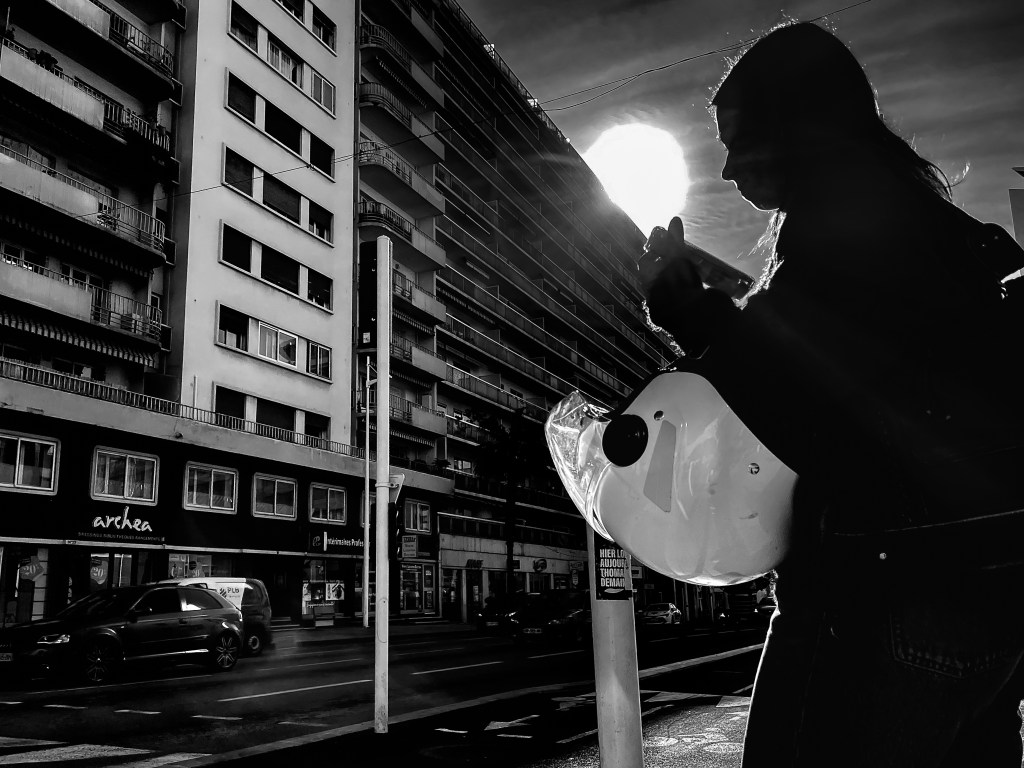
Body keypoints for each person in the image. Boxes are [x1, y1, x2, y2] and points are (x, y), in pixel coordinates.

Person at [639, 21, 1024, 768]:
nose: (727, 169)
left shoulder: (843, 231)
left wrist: (683, 305)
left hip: (884, 595)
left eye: (739, 141)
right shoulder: (937, 228)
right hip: (992, 599)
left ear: (798, 126)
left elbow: (790, 401)